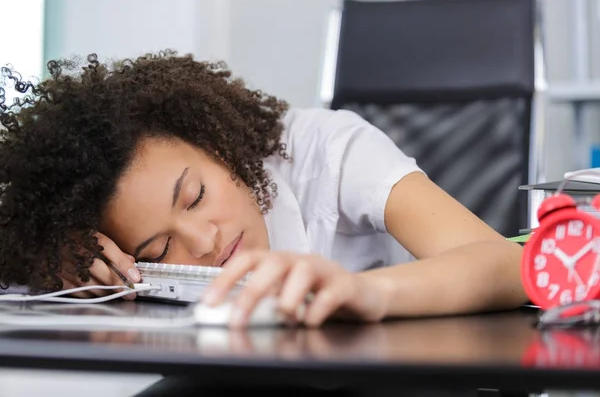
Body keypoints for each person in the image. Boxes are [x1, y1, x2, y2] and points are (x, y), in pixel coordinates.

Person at [0, 50, 527, 328]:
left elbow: (507, 265)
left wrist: (367, 292)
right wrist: (53, 258)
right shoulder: (109, 259)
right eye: (158, 249)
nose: (203, 240)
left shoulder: (327, 149)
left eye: (196, 196)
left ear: (218, 147)